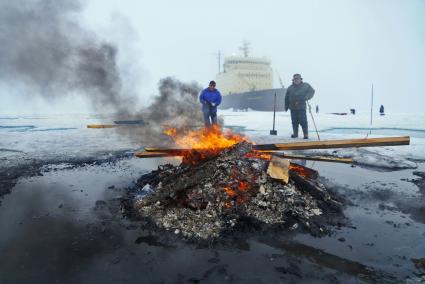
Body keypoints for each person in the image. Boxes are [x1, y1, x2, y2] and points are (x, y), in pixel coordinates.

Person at [284, 74, 315, 139]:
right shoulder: (290, 88)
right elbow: (286, 97)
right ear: (293, 80)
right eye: (295, 79)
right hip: (293, 107)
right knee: (294, 121)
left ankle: (305, 134)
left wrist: (307, 97)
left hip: (301, 107)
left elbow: (312, 91)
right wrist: (286, 106)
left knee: (303, 121)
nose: (296, 80)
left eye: (298, 79)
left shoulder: (305, 85)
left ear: (301, 79)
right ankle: (295, 134)